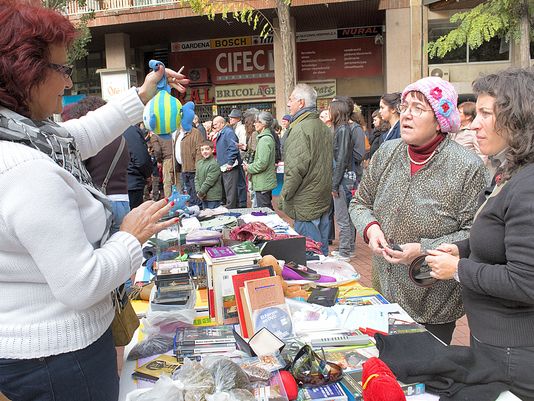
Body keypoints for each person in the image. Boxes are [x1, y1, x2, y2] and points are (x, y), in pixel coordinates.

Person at [0, 1, 188, 399]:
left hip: (35, 354)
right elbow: (82, 284)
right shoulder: (26, 169)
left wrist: (142, 94)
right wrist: (130, 236)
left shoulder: (26, 137)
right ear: (26, 72)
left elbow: (81, 134)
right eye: (62, 70)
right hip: (58, 362)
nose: (68, 84)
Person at [349, 76, 488, 344]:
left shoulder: (467, 167)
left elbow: (474, 234)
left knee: (425, 378)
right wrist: (371, 227)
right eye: (405, 107)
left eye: (418, 109)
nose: (406, 116)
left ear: (440, 120)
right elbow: (360, 202)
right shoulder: (387, 152)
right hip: (383, 292)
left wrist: (424, 248)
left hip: (432, 299)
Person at [426, 68, 534, 400]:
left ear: (517, 118)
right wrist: (462, 249)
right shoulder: (510, 173)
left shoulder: (528, 185)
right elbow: (499, 242)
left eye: (486, 114)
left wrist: (458, 270)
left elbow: (525, 282)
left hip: (513, 354)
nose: (474, 124)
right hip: (494, 342)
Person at [61, 96, 131, 234]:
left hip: (100, 203)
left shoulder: (90, 143)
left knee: (104, 251)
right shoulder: (121, 139)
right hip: (123, 200)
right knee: (123, 245)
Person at [279, 83, 333, 256]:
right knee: (321, 252)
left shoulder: (300, 129)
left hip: (306, 202)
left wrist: (285, 194)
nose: (288, 104)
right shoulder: (322, 126)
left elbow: (295, 170)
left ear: (301, 103)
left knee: (309, 256)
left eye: (291, 100)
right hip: (321, 197)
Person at [329, 100, 354, 261]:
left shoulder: (343, 129)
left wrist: (334, 184)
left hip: (342, 179)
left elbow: (341, 158)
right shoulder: (342, 129)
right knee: (346, 217)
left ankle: (345, 251)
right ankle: (347, 248)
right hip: (344, 178)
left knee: (343, 217)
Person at [243, 111, 277, 210]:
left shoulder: (265, 139)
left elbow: (262, 163)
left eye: (257, 121)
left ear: (264, 124)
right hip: (263, 181)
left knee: (265, 210)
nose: (254, 124)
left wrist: (248, 167)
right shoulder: (264, 138)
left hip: (263, 182)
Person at [212, 115, 241, 208]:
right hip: (224, 166)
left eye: (215, 124)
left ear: (222, 123)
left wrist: (230, 162)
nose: (214, 126)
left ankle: (231, 209)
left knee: (230, 190)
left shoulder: (228, 132)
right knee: (227, 189)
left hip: (229, 166)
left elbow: (233, 147)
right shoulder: (222, 132)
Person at [124, 124, 153, 208]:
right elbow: (141, 159)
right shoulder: (130, 130)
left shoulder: (105, 129)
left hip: (110, 186)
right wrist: (147, 174)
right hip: (131, 182)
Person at [176, 124, 203, 206]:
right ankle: (193, 206)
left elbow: (199, 150)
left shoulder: (195, 133)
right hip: (183, 167)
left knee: (195, 190)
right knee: (189, 189)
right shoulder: (179, 133)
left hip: (192, 167)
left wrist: (197, 166)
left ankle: (198, 207)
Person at [195, 141, 223, 209]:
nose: (204, 151)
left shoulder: (214, 164)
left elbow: (209, 181)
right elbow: (196, 178)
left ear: (212, 150)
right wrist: (198, 191)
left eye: (207, 149)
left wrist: (201, 192)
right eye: (202, 149)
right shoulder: (199, 163)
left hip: (213, 197)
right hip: (203, 196)